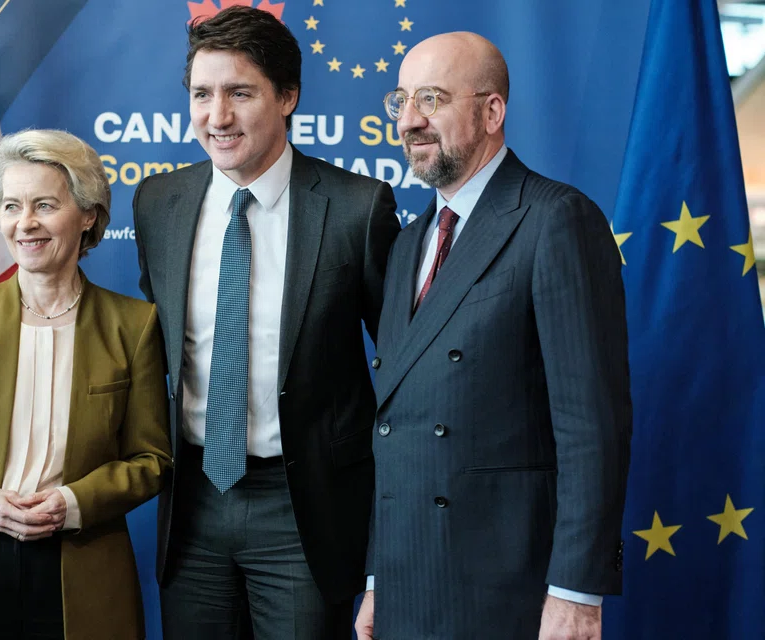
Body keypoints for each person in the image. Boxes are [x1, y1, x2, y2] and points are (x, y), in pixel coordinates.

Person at [132, 6, 400, 638]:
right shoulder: (158, 203)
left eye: (240, 93)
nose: (216, 117)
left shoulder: (358, 210)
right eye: (202, 94)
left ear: (288, 97)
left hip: (305, 511)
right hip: (192, 505)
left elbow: (404, 373)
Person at [355, 32, 633, 640]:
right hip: (409, 584)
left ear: (491, 111)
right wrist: (379, 578)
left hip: (510, 590)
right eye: (399, 101)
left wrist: (576, 591)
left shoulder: (556, 218)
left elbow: (592, 426)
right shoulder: (408, 244)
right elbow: (396, 428)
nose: (408, 121)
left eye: (430, 99)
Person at [0, 129, 171, 640]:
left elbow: (150, 460)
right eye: (11, 206)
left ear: (88, 214)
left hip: (84, 568)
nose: (25, 223)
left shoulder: (133, 325)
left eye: (45, 204)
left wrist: (70, 504)